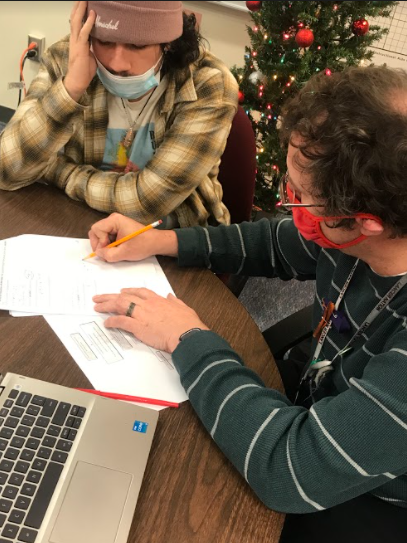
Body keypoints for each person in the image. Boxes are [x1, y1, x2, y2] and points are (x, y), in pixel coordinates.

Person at [89, 65, 407, 542]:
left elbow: (289, 472)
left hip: (371, 496)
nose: (286, 204)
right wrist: (160, 243)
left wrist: (187, 337)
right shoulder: (359, 232)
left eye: (300, 198)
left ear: (367, 223)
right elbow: (277, 244)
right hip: (318, 400)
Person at [0, 1, 238, 228]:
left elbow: (144, 204)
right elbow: (6, 169)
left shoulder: (208, 83)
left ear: (168, 42)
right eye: (105, 41)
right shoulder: (68, 58)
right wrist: (71, 88)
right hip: (79, 221)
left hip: (172, 240)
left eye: (138, 45)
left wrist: (55, 170)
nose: (118, 63)